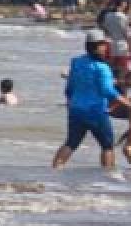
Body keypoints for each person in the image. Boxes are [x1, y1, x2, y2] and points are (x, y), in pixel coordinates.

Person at [52, 30, 124, 170]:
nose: (106, 47)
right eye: (104, 45)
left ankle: (54, 171)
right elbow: (107, 91)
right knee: (107, 145)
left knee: (71, 143)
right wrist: (129, 104)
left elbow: (69, 88)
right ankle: (108, 177)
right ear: (98, 47)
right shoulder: (102, 67)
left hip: (76, 110)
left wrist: (70, 104)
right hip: (96, 112)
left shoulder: (76, 62)